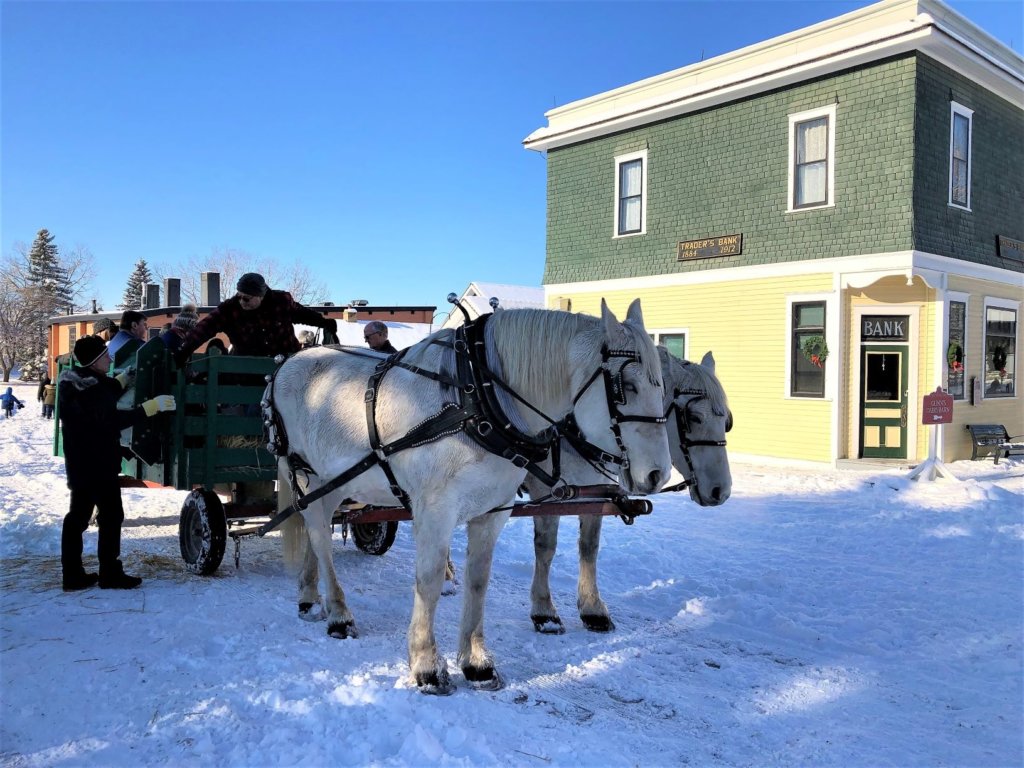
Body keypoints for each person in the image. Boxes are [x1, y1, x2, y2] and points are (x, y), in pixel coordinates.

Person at [58, 335, 177, 591]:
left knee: (77, 517)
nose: (110, 358)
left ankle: (72, 575)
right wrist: (148, 408)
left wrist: (122, 380)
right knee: (111, 516)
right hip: (98, 463)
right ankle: (110, 574)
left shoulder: (74, 383)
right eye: (105, 356)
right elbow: (110, 419)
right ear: (93, 361)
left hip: (80, 462)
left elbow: (101, 391)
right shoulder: (93, 390)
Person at [173, 273, 337, 366]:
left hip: (285, 367)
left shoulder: (281, 302)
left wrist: (323, 322)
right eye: (239, 296)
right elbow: (205, 327)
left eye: (247, 298)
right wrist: (186, 348)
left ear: (261, 296)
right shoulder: (230, 309)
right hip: (249, 371)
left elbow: (302, 313)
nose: (241, 302)